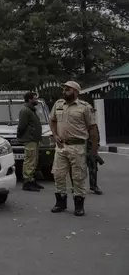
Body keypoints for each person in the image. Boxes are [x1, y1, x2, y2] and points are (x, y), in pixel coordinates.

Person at [49, 81, 98, 217]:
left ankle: (79, 205)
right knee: (58, 174)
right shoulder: (58, 104)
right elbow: (52, 120)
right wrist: (55, 134)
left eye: (68, 89)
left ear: (76, 92)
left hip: (77, 147)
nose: (64, 91)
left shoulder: (84, 107)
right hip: (61, 146)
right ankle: (60, 202)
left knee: (78, 177)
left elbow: (92, 128)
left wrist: (94, 150)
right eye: (64, 89)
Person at [17, 91, 44, 192]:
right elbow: (22, 125)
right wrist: (20, 136)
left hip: (34, 139)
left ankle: (31, 180)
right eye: (35, 98)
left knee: (34, 160)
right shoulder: (26, 110)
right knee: (29, 160)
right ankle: (27, 182)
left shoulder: (31, 110)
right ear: (30, 99)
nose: (36, 100)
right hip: (30, 139)